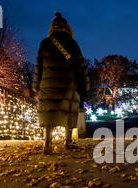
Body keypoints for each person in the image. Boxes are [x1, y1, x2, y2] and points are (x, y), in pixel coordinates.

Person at [33, 12, 89, 154]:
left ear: (52, 27)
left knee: (49, 113)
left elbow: (38, 67)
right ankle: (68, 142)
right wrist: (84, 85)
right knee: (69, 112)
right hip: (68, 84)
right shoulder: (72, 43)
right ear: (67, 28)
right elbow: (81, 65)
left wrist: (36, 86)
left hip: (48, 84)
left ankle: (47, 143)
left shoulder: (45, 43)